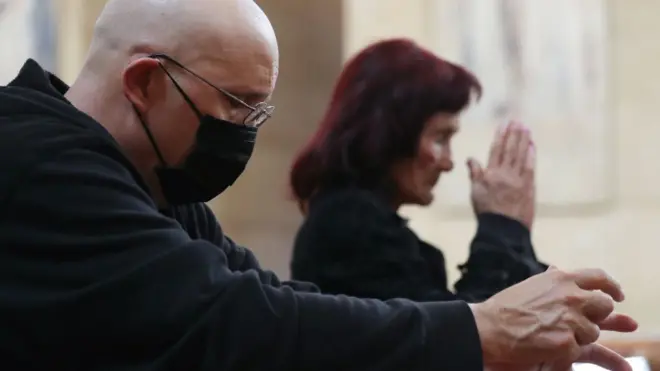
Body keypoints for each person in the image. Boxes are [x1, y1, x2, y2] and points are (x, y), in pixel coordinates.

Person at [0, 0, 636, 370]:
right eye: (237, 105)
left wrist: (501, 334)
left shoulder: (156, 183)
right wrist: (484, 331)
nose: (248, 131)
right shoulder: (36, 160)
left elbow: (265, 294)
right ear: (144, 83)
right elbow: (233, 322)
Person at [289, 38, 545, 302]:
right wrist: (502, 227)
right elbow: (469, 335)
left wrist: (513, 230)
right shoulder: (349, 228)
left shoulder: (357, 222)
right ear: (390, 134)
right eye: (439, 139)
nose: (448, 163)